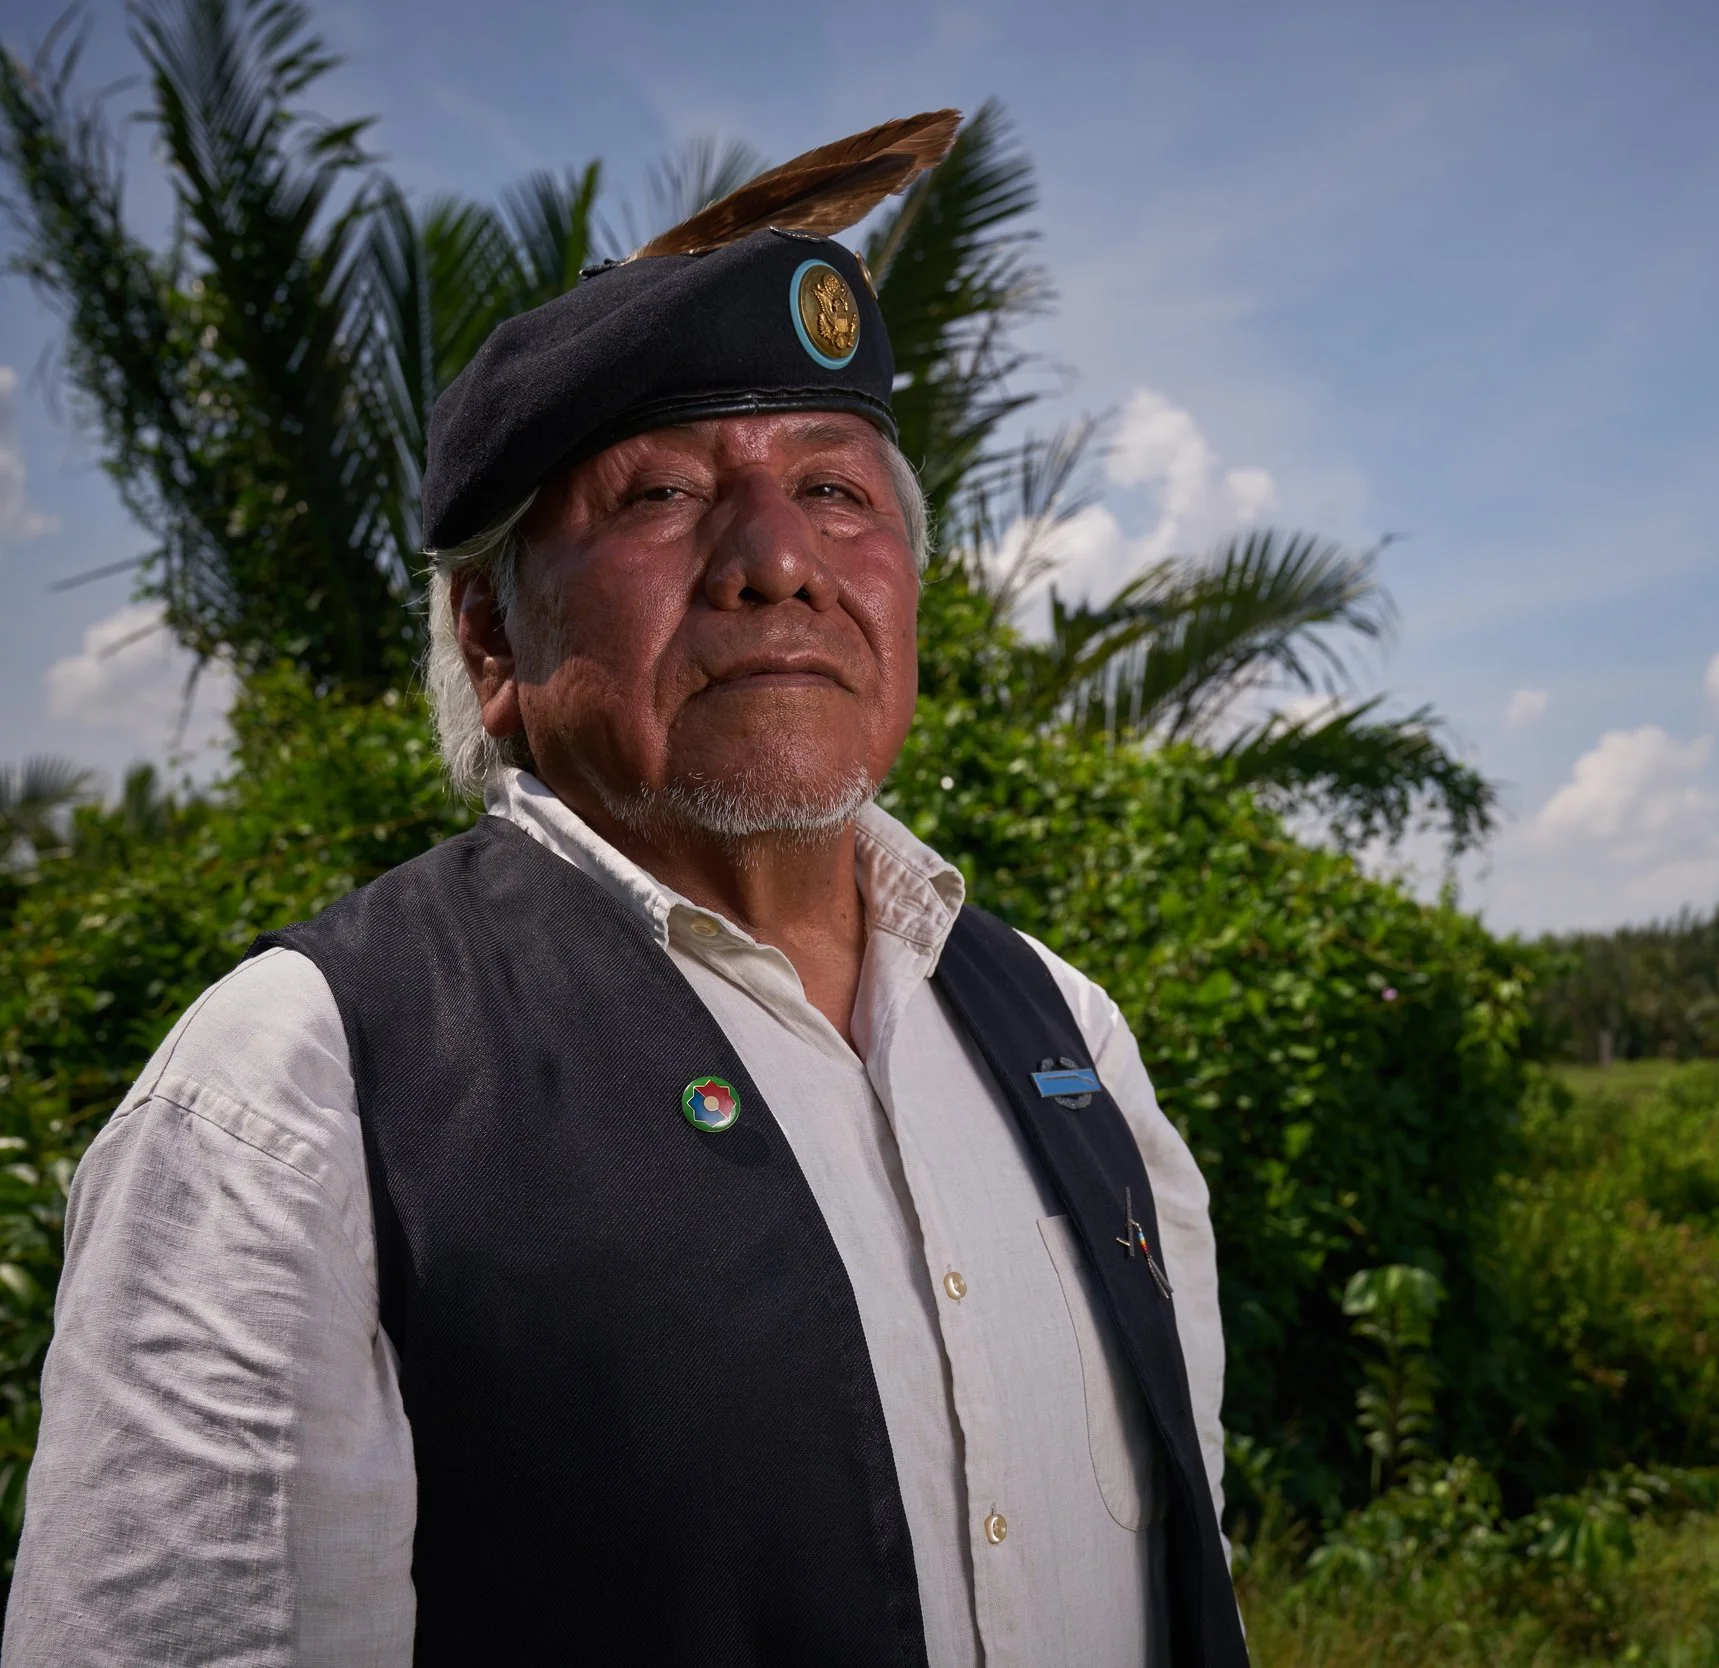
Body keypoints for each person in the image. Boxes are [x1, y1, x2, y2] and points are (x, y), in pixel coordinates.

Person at [3, 112, 1245, 1668]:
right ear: (492, 643)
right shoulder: (302, 1086)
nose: (777, 560)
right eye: (659, 496)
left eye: (839, 494)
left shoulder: (1069, 1032)